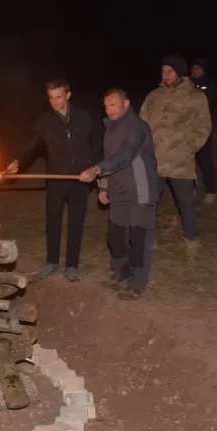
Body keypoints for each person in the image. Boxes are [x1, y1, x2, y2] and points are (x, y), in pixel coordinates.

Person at [6, 79, 103, 282]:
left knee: (76, 222)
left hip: (80, 180)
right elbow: (30, 145)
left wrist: (93, 168)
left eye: (58, 97)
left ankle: (72, 265)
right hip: (56, 180)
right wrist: (17, 161)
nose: (55, 102)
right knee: (53, 222)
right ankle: (52, 262)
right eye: (51, 98)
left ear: (68, 95)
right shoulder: (44, 121)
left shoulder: (83, 117)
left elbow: (95, 143)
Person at [79, 88, 159, 301]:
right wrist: (103, 186)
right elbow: (109, 158)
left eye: (113, 104)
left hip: (140, 191)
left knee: (139, 239)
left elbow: (124, 155)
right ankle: (122, 272)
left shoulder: (137, 127)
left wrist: (96, 170)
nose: (109, 109)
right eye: (106, 106)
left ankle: (138, 283)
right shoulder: (110, 129)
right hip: (118, 191)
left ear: (126, 104)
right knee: (115, 237)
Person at [140, 54, 211, 255]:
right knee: (149, 200)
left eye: (170, 71)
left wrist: (190, 146)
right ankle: (148, 239)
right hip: (155, 159)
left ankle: (191, 240)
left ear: (179, 72)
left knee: (185, 202)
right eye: (163, 70)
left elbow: (203, 126)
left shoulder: (195, 96)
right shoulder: (153, 95)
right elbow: (141, 122)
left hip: (181, 161)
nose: (166, 74)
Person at [190, 58, 217, 204]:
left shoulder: (210, 85)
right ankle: (192, 187)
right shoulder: (188, 84)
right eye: (193, 68)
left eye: (198, 68)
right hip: (187, 129)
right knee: (188, 160)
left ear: (204, 70)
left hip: (203, 129)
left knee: (205, 160)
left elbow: (208, 102)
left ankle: (211, 190)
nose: (195, 71)